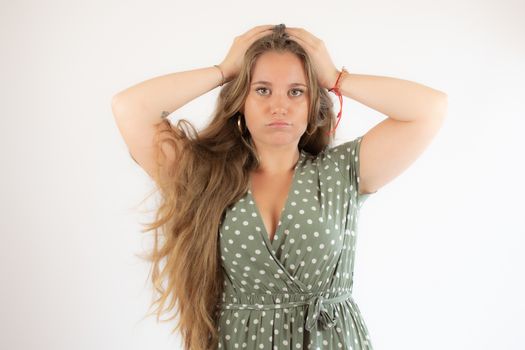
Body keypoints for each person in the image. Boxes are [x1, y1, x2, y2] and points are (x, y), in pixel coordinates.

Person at [111, 24, 447, 350]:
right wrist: (224, 69)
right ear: (240, 101)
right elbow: (130, 110)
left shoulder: (341, 173)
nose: (279, 106)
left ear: (313, 106)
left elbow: (429, 109)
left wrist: (336, 78)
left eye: (296, 91)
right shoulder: (204, 176)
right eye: (262, 89)